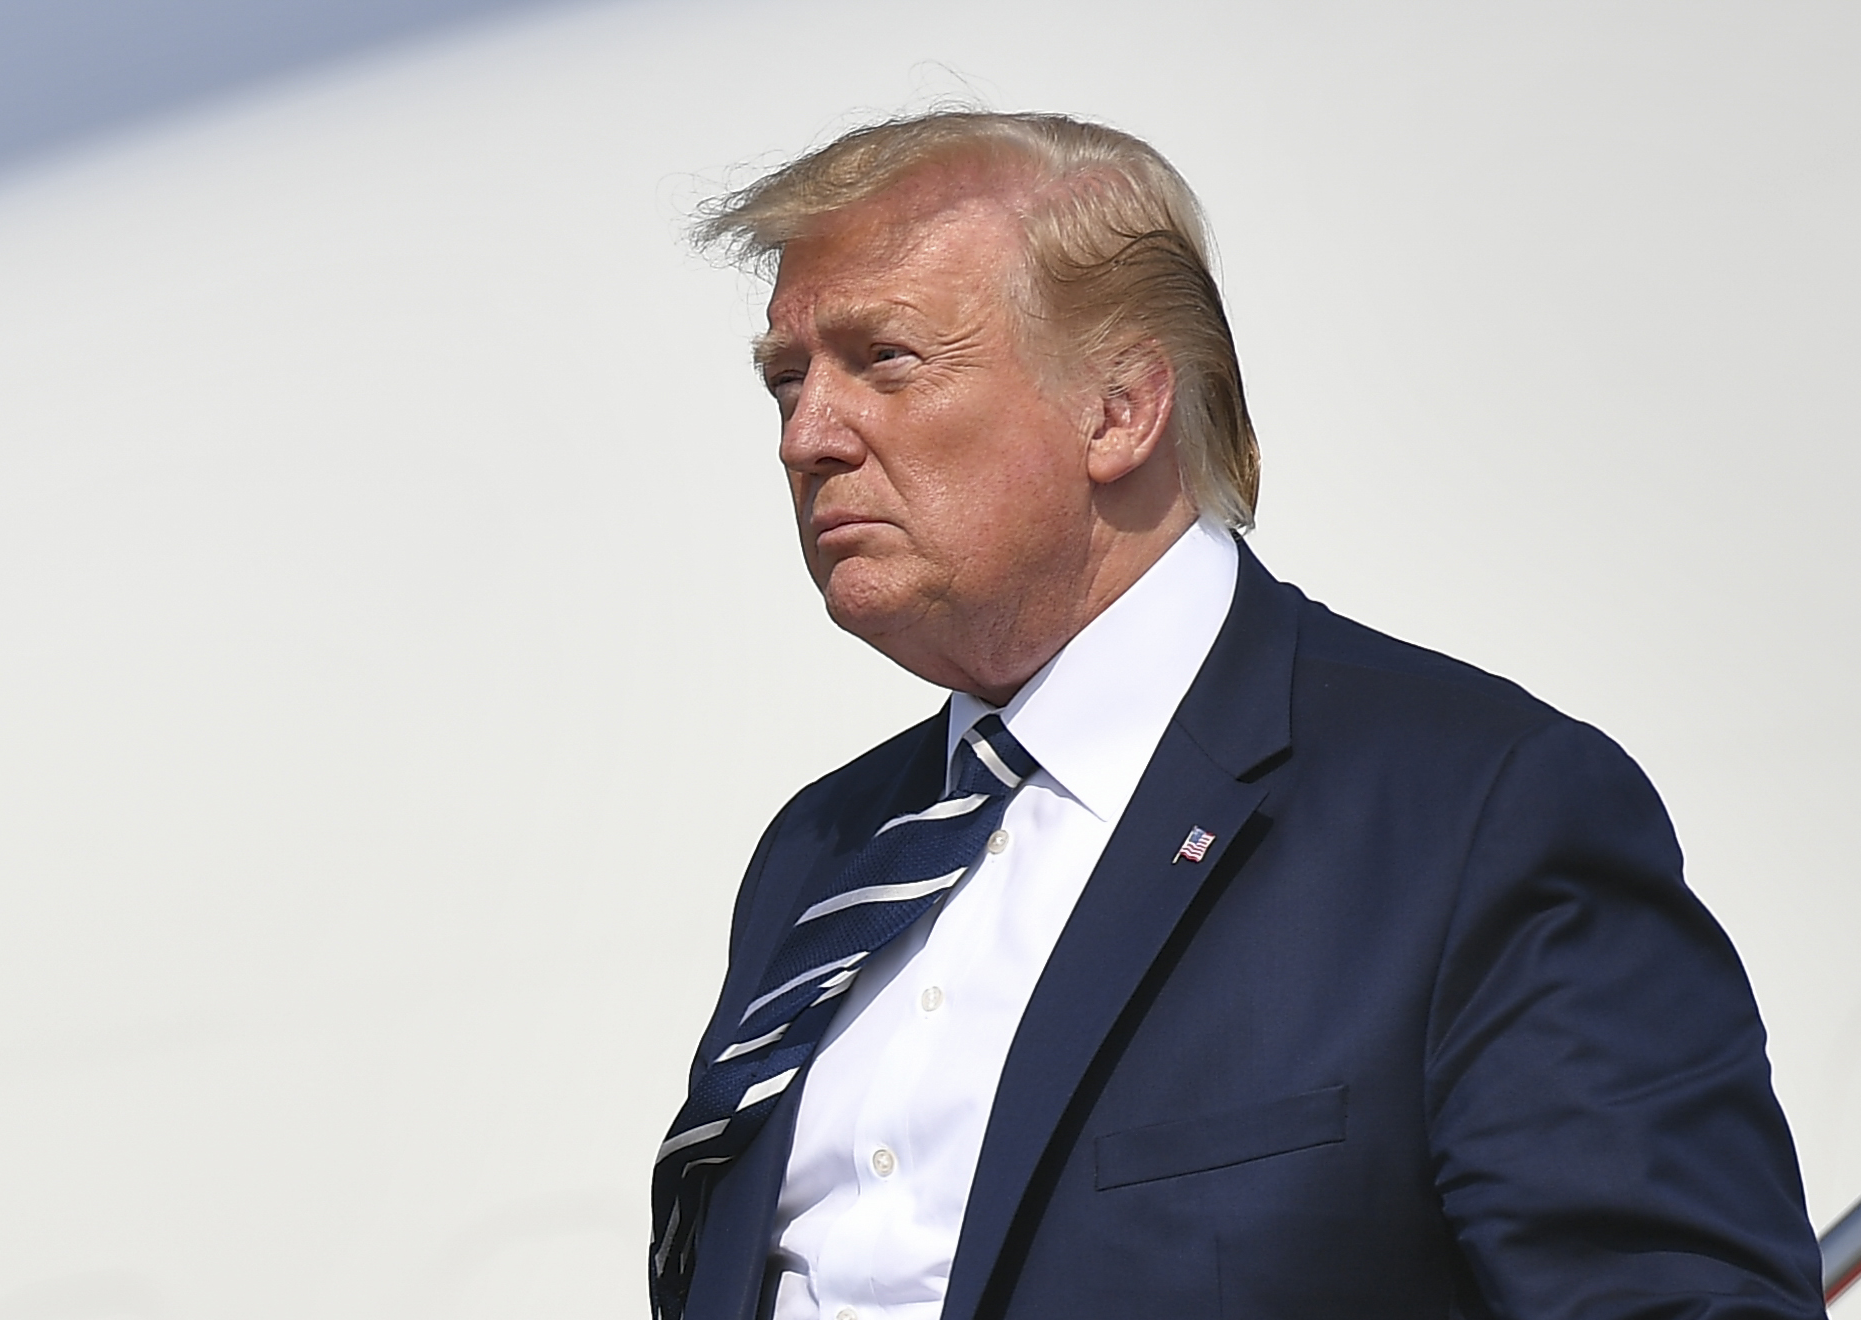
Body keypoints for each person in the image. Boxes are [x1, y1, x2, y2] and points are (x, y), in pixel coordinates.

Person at [649, 111, 1825, 1320]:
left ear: (1120, 409)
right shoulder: (821, 859)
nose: (806, 437)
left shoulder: (1473, 817)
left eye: (885, 359)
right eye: (786, 380)